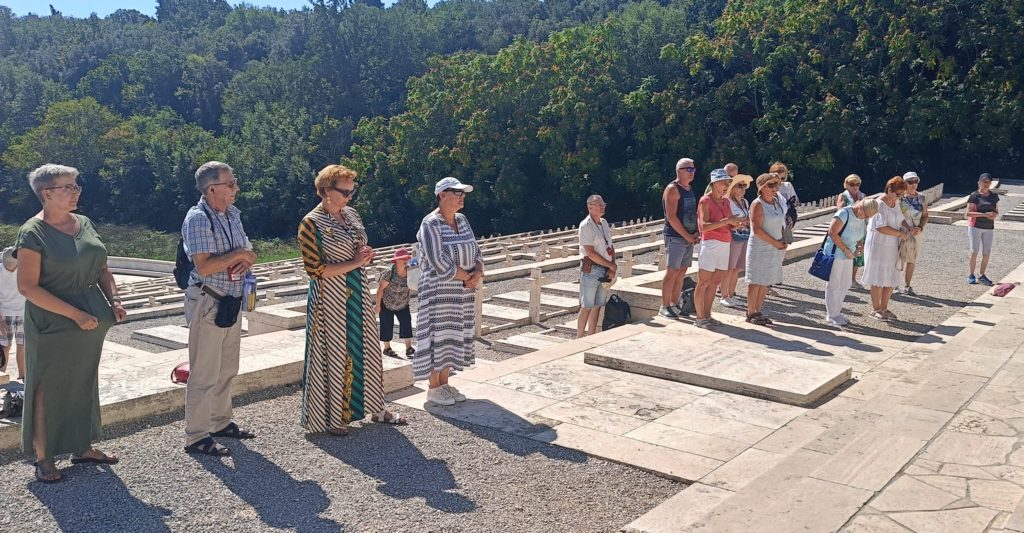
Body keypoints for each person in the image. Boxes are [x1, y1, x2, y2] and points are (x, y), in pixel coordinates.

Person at [15, 164, 126, 483]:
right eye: (69, 187)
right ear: (47, 193)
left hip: (90, 316)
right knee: (45, 385)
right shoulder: (32, 232)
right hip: (53, 317)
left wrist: (115, 299)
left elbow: (102, 268)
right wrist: (75, 314)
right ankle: (43, 457)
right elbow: (28, 287)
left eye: (77, 186)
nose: (76, 192)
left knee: (83, 379)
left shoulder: (85, 223)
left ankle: (82, 446)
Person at [298, 164, 406, 436]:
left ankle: (377, 408)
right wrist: (355, 262)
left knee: (368, 348)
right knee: (334, 352)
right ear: (326, 191)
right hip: (330, 296)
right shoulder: (310, 223)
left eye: (351, 191)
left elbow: (356, 251)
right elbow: (315, 270)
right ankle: (334, 416)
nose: (349, 196)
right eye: (344, 191)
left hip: (357, 289)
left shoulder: (351, 215)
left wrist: (364, 254)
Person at [181, 161, 257, 456]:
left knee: (227, 368)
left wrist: (245, 257)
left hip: (231, 300)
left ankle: (220, 422)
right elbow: (204, 265)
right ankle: (197, 435)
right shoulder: (198, 219)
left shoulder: (232, 214)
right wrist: (238, 255)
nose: (236, 187)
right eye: (230, 183)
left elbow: (250, 252)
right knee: (204, 372)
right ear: (212, 189)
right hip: (209, 300)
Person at [415, 177, 483, 406]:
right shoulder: (430, 223)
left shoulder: (462, 220)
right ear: (442, 195)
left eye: (463, 193)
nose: (462, 197)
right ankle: (434, 386)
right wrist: (467, 276)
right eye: (457, 193)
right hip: (438, 290)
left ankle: (445, 383)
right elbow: (437, 259)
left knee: (452, 334)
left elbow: (476, 249)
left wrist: (478, 271)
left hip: (461, 291)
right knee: (437, 334)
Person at [694, 169, 742, 328]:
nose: (726, 186)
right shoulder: (705, 201)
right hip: (710, 244)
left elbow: (728, 223)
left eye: (728, 183)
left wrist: (736, 224)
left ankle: (707, 315)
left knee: (715, 282)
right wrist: (727, 221)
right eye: (723, 183)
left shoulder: (726, 201)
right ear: (714, 183)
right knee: (703, 282)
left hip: (725, 243)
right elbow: (704, 226)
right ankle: (700, 318)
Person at [821, 199, 880, 326]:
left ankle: (837, 312)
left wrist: (860, 246)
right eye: (866, 215)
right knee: (834, 283)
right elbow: (832, 233)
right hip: (836, 253)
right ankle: (831, 314)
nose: (866, 218)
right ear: (861, 208)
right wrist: (845, 249)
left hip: (849, 254)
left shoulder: (861, 216)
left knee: (845, 283)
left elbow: (859, 235)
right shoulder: (844, 213)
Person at [862, 176, 910, 321]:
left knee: (890, 276)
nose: (899, 197)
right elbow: (880, 227)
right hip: (878, 244)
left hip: (892, 244)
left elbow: (900, 219)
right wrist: (900, 234)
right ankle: (875, 309)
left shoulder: (895, 203)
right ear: (890, 190)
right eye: (898, 194)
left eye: (901, 195)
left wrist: (908, 228)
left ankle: (884, 307)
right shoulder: (879, 204)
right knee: (877, 276)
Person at [744, 173, 787, 326]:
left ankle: (758, 310)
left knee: (766, 281)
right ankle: (751, 312)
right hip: (760, 247)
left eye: (777, 185)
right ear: (762, 187)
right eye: (771, 185)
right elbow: (757, 230)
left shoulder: (776, 202)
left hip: (775, 246)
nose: (775, 188)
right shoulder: (757, 204)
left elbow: (781, 223)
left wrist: (783, 240)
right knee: (756, 280)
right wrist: (775, 243)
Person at [661, 158, 700, 318]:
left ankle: (675, 303)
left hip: (688, 236)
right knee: (672, 271)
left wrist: (696, 232)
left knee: (681, 271)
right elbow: (671, 217)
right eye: (688, 169)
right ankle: (665, 305)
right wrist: (687, 236)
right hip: (675, 236)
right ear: (679, 171)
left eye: (693, 169)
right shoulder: (673, 189)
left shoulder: (688, 188)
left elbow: (691, 213)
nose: (692, 172)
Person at [577, 195, 616, 338]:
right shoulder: (585, 225)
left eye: (603, 204)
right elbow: (591, 253)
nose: (602, 207)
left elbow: (610, 246)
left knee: (597, 305)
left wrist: (612, 266)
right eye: (599, 204)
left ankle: (591, 336)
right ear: (590, 207)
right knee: (586, 306)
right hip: (592, 269)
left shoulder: (604, 223)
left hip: (605, 269)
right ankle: (579, 338)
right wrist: (611, 265)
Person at [376, 248, 415, 358]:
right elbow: (380, 289)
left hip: (403, 303)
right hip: (387, 303)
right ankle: (387, 348)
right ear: (396, 261)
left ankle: (409, 348)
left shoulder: (410, 272)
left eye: (406, 258)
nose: (405, 261)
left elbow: (415, 284)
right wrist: (378, 305)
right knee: (386, 325)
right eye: (402, 259)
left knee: (406, 324)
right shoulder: (389, 273)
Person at [720, 174, 752, 308]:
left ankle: (731, 294)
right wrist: (739, 223)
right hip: (733, 236)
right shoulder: (727, 201)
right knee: (729, 267)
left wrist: (745, 222)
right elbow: (727, 219)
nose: (743, 188)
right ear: (732, 188)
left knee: (737, 268)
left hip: (744, 235)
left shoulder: (745, 202)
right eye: (740, 186)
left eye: (744, 186)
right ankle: (724, 295)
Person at [898, 172, 929, 295]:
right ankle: (894, 284)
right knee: (898, 257)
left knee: (912, 258)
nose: (913, 184)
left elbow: (925, 215)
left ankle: (907, 285)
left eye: (915, 182)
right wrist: (906, 227)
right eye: (910, 182)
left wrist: (920, 227)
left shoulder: (922, 197)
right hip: (901, 230)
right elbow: (896, 215)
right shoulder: (900, 197)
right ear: (904, 183)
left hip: (917, 232)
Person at [966, 173, 999, 286]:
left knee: (986, 252)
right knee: (974, 251)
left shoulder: (994, 196)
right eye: (984, 182)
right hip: (975, 226)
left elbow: (996, 211)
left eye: (988, 182)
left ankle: (982, 274)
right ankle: (971, 274)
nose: (986, 184)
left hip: (989, 227)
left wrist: (993, 215)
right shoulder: (974, 196)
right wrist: (984, 215)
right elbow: (968, 213)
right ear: (979, 182)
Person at [836, 174, 867, 287]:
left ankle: (852, 279)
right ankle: (842, 278)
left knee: (858, 254)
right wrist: (855, 205)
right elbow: (840, 210)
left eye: (857, 184)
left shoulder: (863, 196)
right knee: (845, 253)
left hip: (860, 228)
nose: (855, 187)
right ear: (846, 185)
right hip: (847, 229)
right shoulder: (843, 196)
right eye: (852, 184)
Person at [1, 246, 26, 380]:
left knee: (22, 345)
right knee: (5, 346)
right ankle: (2, 376)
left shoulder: (23, 269)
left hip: (23, 311)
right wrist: (0, 321)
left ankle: (22, 376)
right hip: (4, 313)